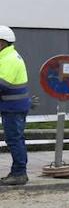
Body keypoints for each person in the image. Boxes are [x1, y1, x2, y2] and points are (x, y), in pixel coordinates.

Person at [0, 26, 30, 186]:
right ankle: (17, 171)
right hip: (12, 107)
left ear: (2, 42)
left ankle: (19, 173)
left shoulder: (9, 59)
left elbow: (3, 84)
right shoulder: (6, 57)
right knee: (16, 139)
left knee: (14, 140)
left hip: (13, 108)